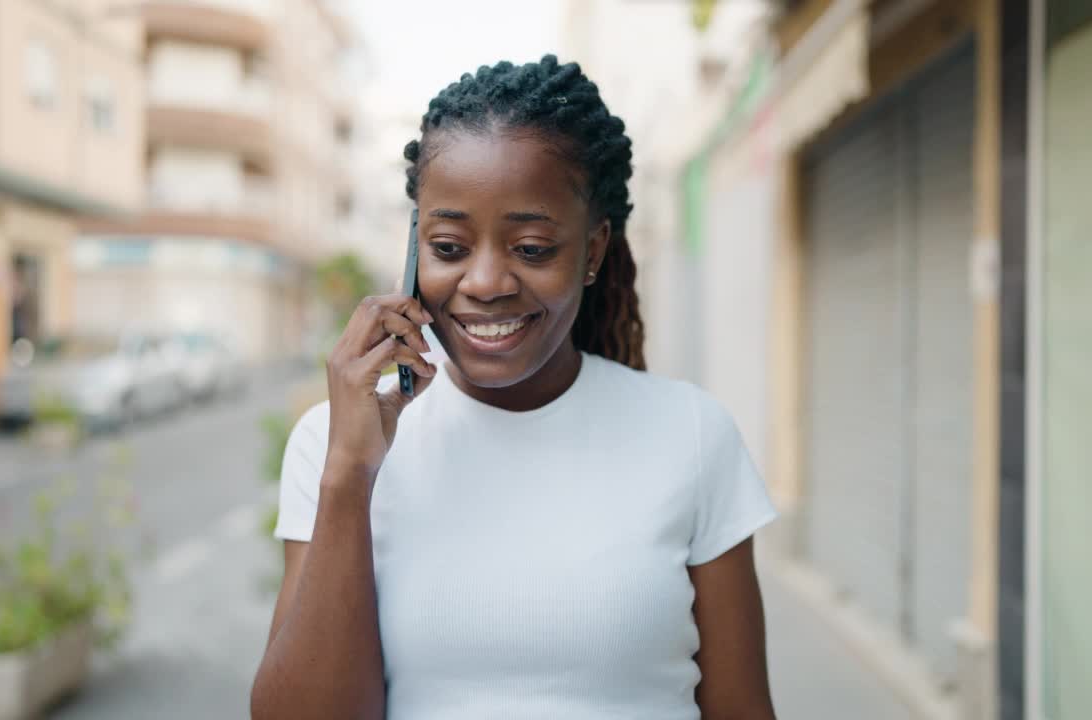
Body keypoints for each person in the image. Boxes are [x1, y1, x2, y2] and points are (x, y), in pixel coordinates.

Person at [251, 55, 778, 720]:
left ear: (591, 251)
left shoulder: (693, 435)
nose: (486, 282)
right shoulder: (333, 447)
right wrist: (350, 474)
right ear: (414, 249)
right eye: (448, 247)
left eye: (531, 248)